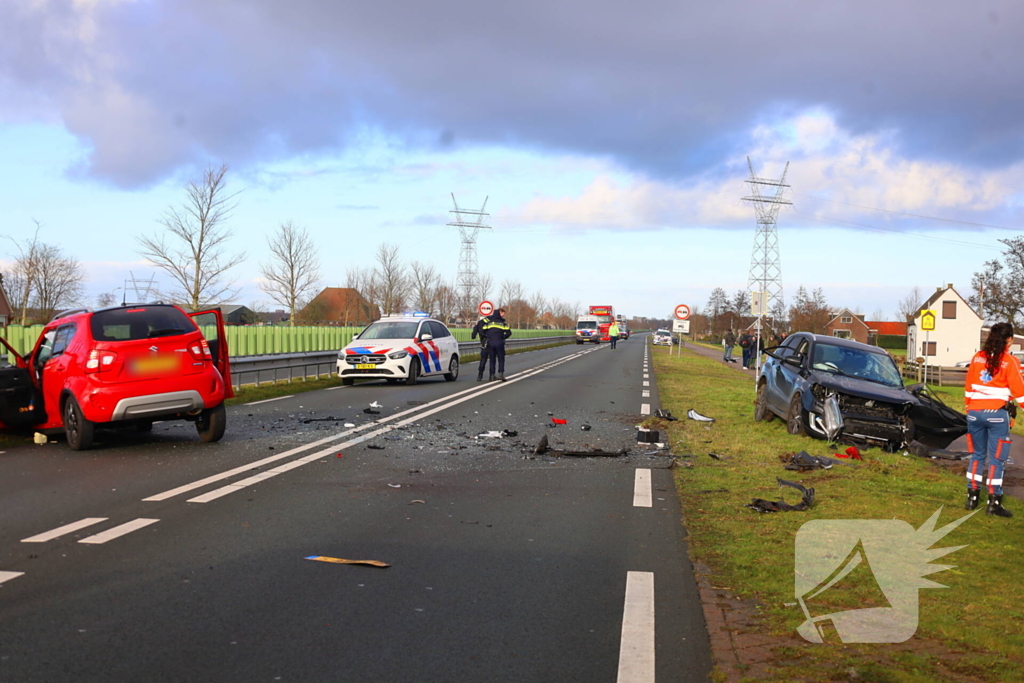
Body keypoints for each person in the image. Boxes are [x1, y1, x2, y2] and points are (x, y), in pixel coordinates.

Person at [963, 322, 1024, 517]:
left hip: (974, 412)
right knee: (997, 460)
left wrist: (969, 408)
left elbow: (968, 387)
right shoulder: (1010, 360)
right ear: (1009, 340)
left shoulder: (977, 358)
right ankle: (994, 502)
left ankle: (971, 498)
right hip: (997, 414)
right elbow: (1020, 392)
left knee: (977, 456)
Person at [481, 307, 513, 381]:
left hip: (490, 343)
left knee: (492, 359)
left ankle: (492, 375)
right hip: (499, 343)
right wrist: (503, 337)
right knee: (501, 359)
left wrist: (487, 336)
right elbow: (509, 333)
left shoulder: (489, 323)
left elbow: (482, 331)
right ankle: (501, 374)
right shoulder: (503, 324)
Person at [471, 313, 492, 381]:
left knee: (483, 359)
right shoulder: (493, 322)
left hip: (484, 342)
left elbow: (474, 331)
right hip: (493, 342)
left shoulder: (480, 322)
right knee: (492, 359)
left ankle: (480, 375)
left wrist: (473, 336)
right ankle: (491, 375)